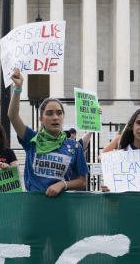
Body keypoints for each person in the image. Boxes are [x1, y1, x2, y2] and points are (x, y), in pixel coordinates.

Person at [8, 68, 88, 196]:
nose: (55, 117)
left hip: (63, 209)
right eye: (49, 114)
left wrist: (63, 184)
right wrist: (18, 88)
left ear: (63, 117)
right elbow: (13, 116)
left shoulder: (75, 146)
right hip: (34, 208)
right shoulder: (32, 140)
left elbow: (82, 182)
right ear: (41, 119)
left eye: (59, 113)